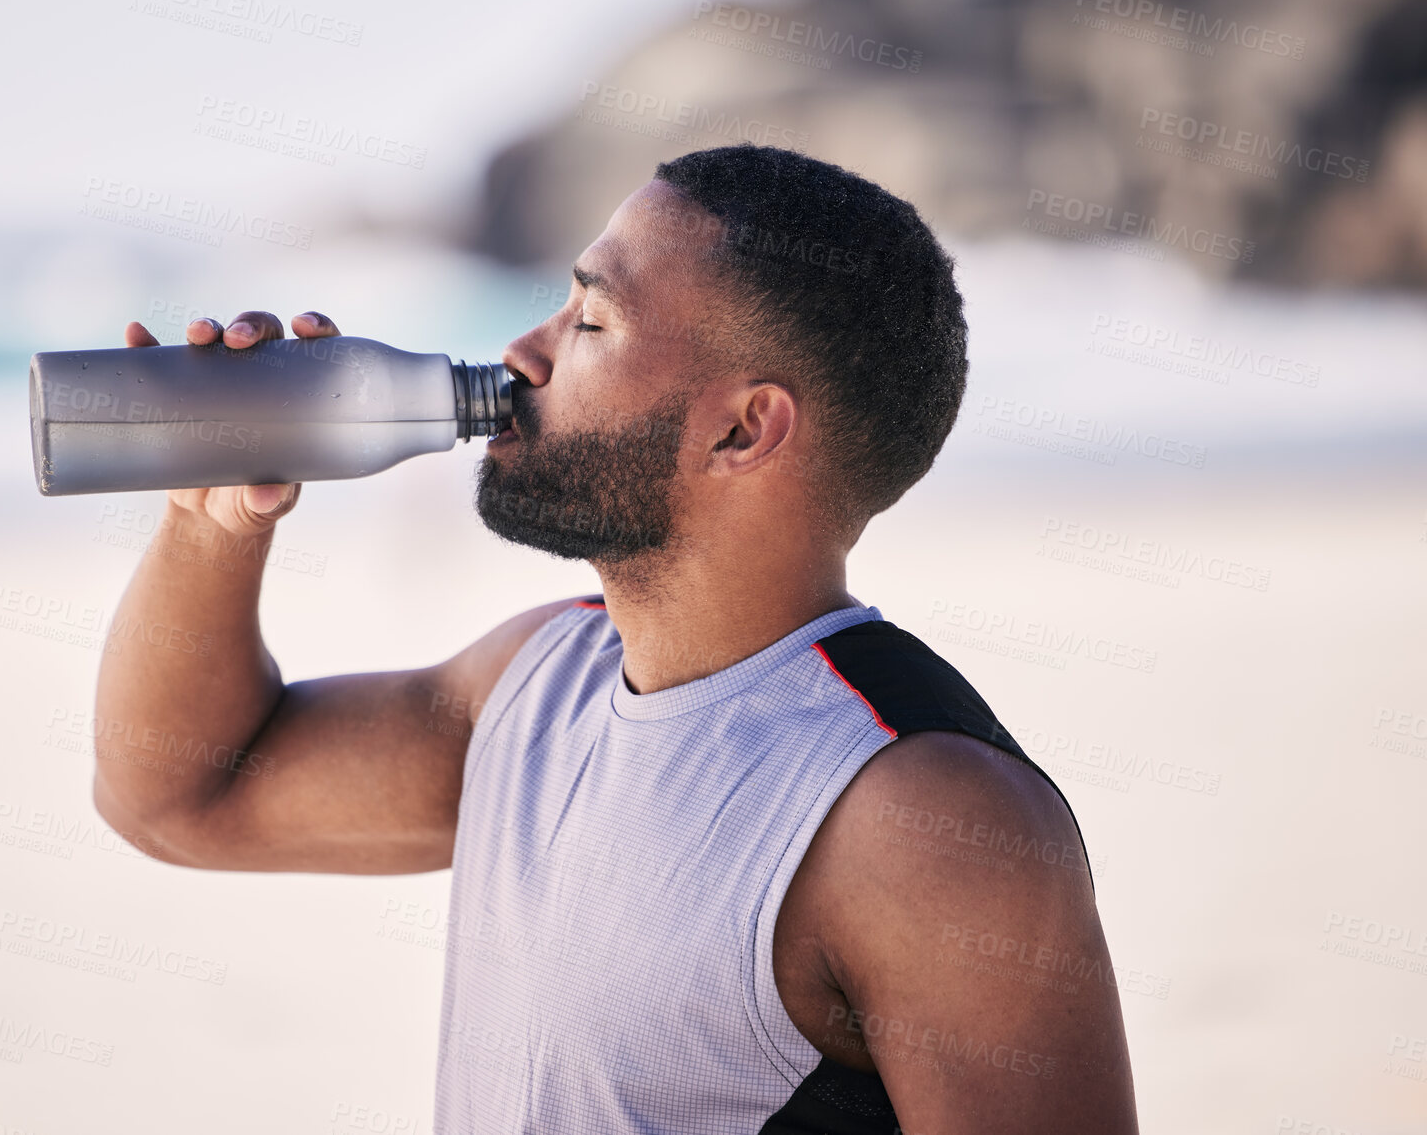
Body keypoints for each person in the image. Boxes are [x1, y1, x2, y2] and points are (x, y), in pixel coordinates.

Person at [94, 143, 1138, 1134]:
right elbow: (182, 797)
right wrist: (209, 524)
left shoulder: (920, 821)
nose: (521, 352)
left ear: (743, 428)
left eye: (592, 321)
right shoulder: (535, 684)